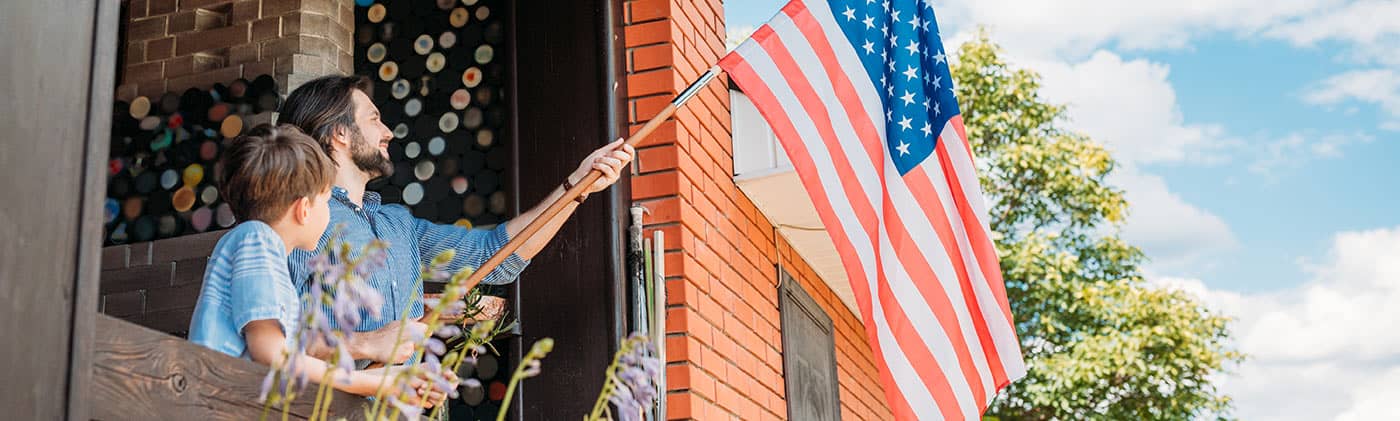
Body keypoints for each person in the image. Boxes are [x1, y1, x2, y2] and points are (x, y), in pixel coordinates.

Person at [277, 76, 635, 363]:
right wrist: (368, 342)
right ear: (339, 133)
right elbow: (276, 340)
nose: (388, 131)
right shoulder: (299, 218)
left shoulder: (398, 224)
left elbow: (498, 256)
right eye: (374, 119)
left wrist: (576, 187)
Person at [186, 124, 450, 405]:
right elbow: (274, 356)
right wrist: (381, 384)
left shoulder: (262, 250)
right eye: (327, 202)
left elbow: (291, 353)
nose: (329, 213)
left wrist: (398, 378)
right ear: (304, 209)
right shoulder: (256, 239)